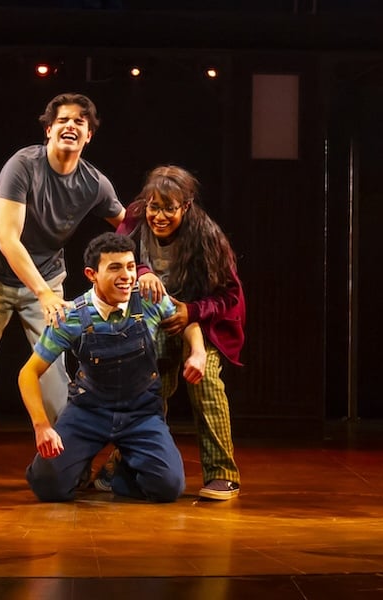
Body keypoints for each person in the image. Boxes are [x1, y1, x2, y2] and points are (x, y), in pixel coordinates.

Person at [0, 93, 125, 492]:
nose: (71, 126)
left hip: (47, 280)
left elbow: (126, 224)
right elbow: (8, 239)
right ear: (48, 129)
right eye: (63, 120)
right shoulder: (23, 165)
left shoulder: (94, 183)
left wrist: (142, 270)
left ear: (88, 135)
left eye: (80, 122)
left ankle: (73, 464)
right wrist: (45, 294)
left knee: (54, 374)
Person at [20, 232, 207, 502]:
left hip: (140, 412)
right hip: (89, 411)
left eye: (130, 267)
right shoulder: (72, 316)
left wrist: (198, 353)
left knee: (167, 488)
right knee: (48, 487)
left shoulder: (149, 299)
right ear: (92, 274)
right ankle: (78, 464)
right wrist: (42, 426)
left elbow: (188, 322)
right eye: (115, 268)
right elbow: (28, 373)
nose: (126, 276)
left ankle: (120, 471)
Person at [117, 165, 245, 501]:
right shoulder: (135, 221)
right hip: (152, 323)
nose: (159, 216)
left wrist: (193, 310)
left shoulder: (206, 236)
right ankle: (127, 468)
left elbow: (230, 296)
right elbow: (114, 254)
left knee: (205, 382)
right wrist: (142, 270)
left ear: (185, 207)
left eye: (168, 209)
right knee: (148, 388)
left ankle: (222, 473)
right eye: (154, 207)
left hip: (198, 323)